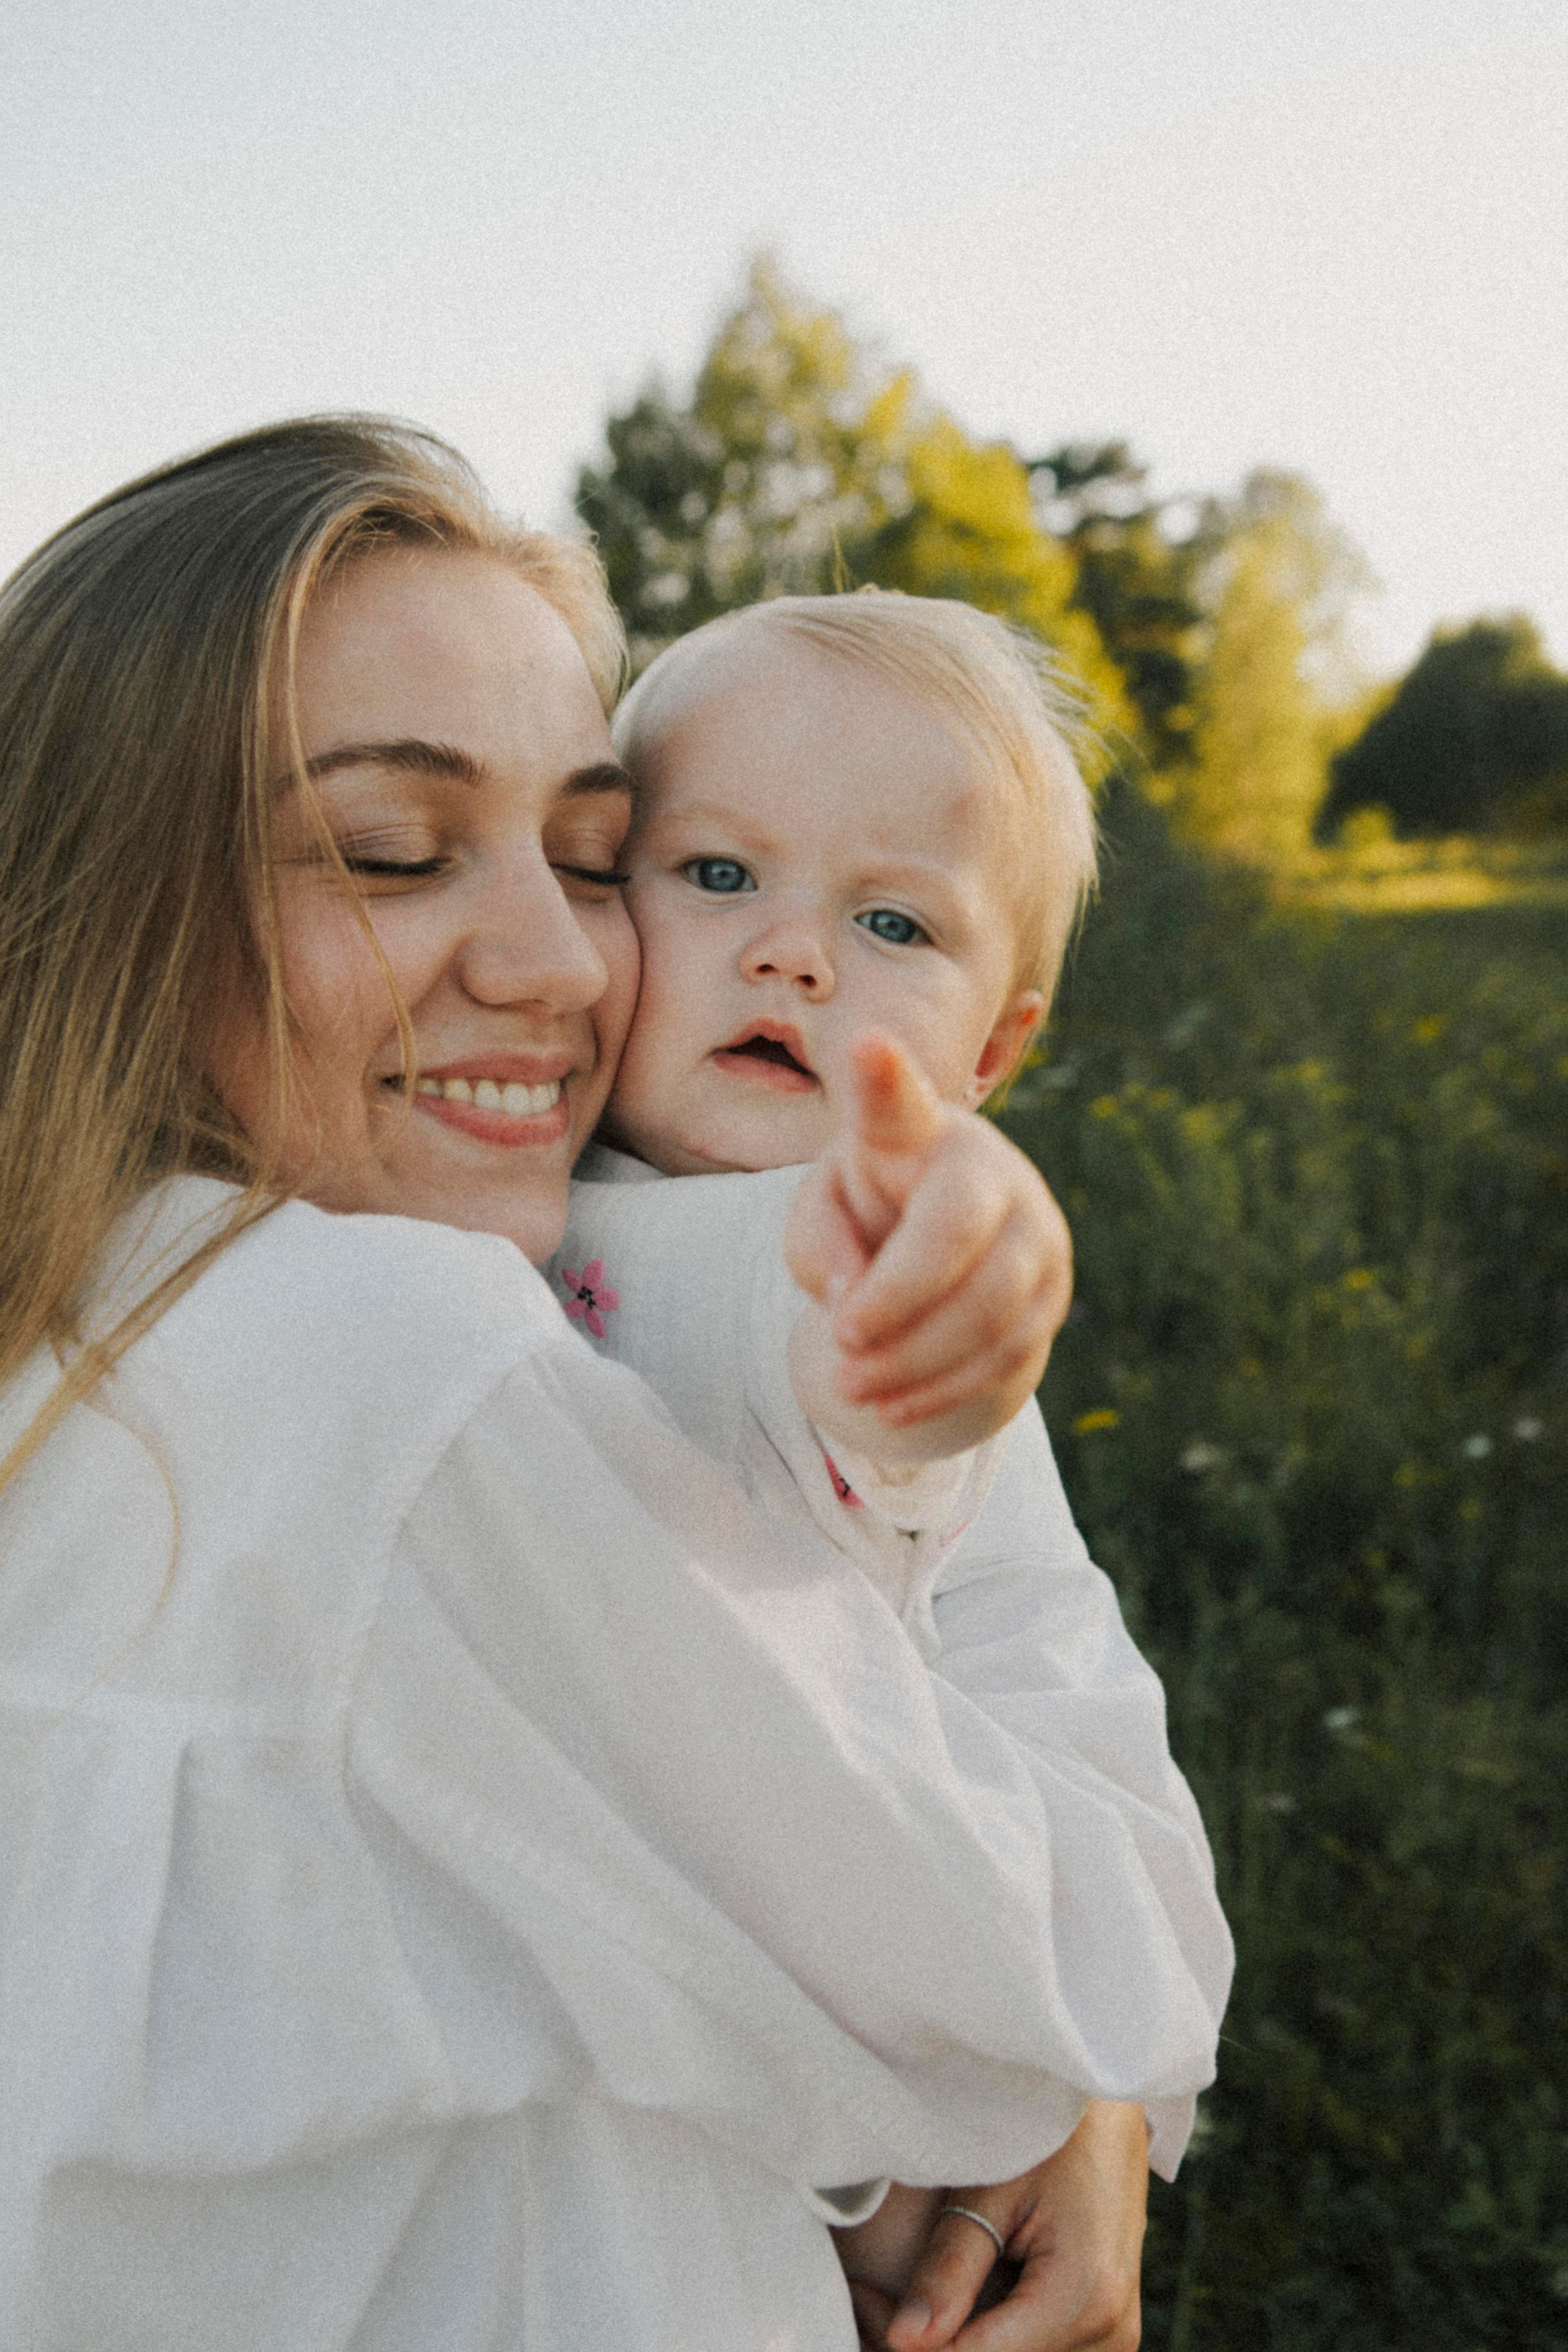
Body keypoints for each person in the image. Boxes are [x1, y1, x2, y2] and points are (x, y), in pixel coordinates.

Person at [0, 418, 1211, 2352]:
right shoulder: (397, 1373)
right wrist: (1084, 2092)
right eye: (393, 851)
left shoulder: (90, 1332)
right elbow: (1036, 1993)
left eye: (584, 856)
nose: (560, 963)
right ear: (100, 903)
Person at [549, 594, 1233, 2343]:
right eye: (717, 878)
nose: (794, 955)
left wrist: (943, 1315)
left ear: (991, 1055)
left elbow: (876, 1411)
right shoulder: (536, 1194)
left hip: (830, 2083)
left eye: (890, 920)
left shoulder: (823, 1238)